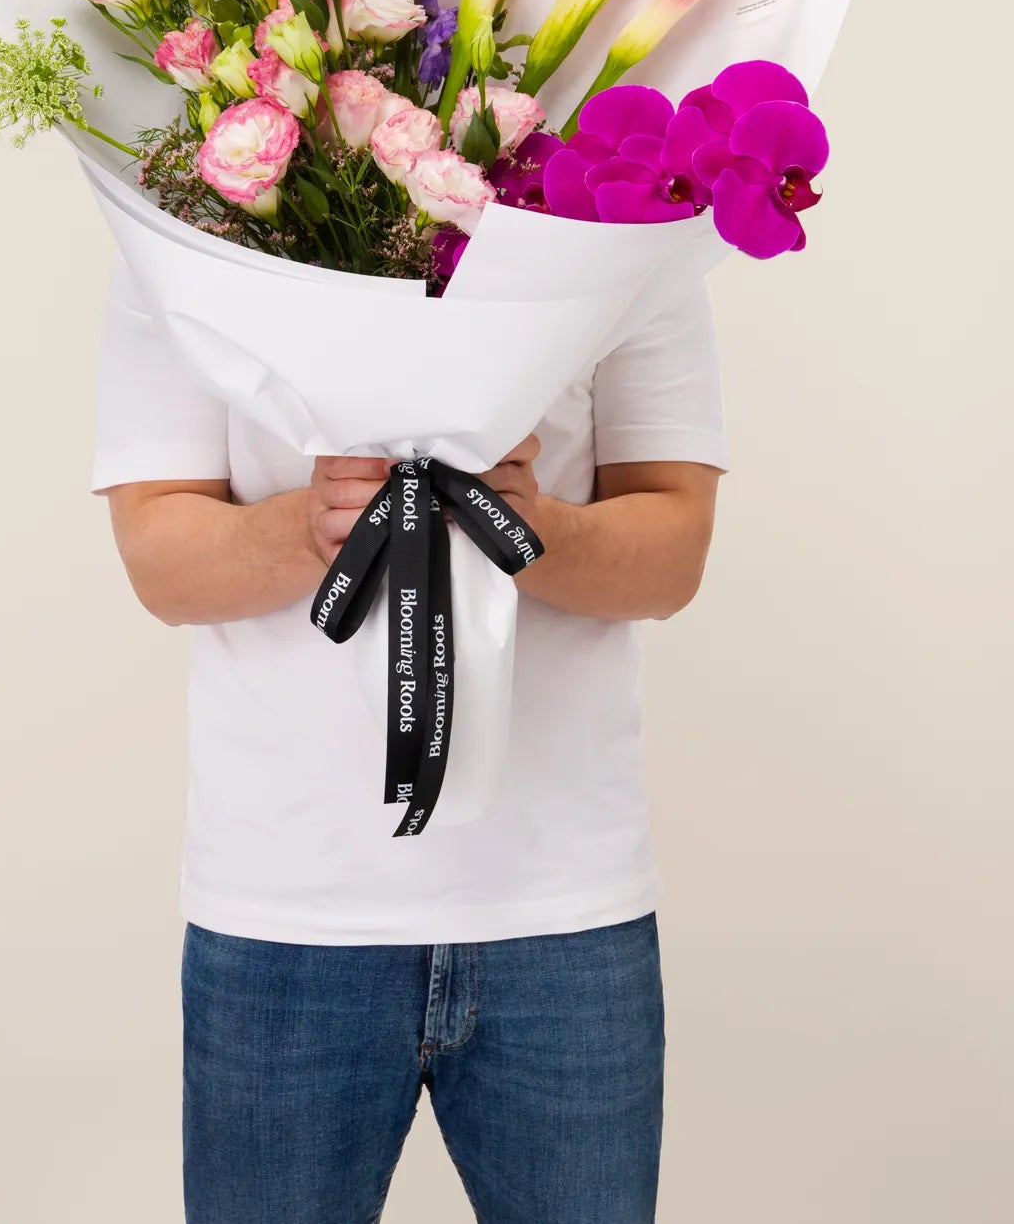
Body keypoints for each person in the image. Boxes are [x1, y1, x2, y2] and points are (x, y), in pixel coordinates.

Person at [92, 250, 727, 1224]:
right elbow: (161, 561)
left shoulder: (626, 225)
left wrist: (530, 524)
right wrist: (311, 527)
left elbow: (671, 555)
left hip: (563, 907)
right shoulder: (182, 244)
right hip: (283, 909)